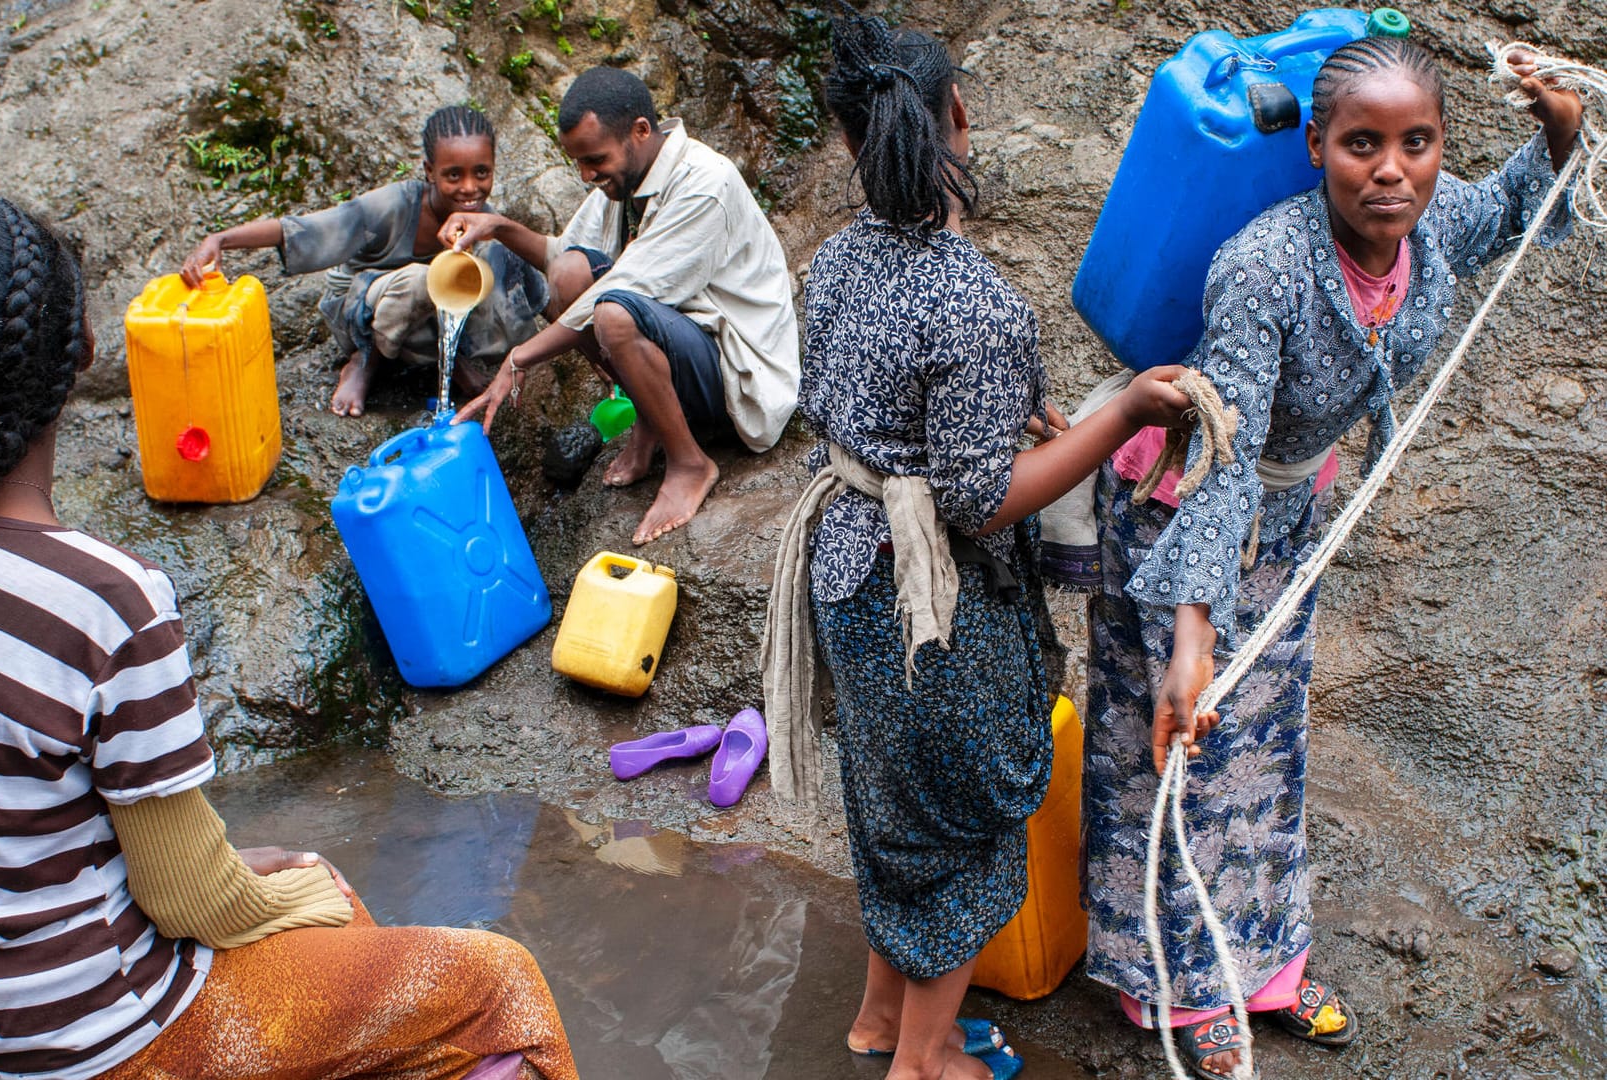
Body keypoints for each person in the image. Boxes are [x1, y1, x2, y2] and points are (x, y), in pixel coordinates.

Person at [1079, 36, 1582, 1080]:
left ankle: (1262, 963)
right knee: (1177, 740)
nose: (1390, 170)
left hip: (1292, 516)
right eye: (1362, 144)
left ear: (1440, 148)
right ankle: (1175, 984)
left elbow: (1509, 214)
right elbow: (1220, 461)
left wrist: (1561, 130)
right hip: (1180, 516)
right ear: (1317, 146)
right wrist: (1191, 634)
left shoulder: (1431, 223)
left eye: (1416, 143)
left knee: (1266, 742)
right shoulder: (1263, 269)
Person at [0, 197, 578, 1080]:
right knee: (495, 988)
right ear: (79, 355)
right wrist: (296, 883)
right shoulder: (100, 600)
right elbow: (188, 897)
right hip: (94, 1045)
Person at [760, 16, 1191, 1080]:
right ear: (956, 112)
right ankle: (925, 1058)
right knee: (968, 808)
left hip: (847, 565)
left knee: (893, 794)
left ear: (851, 142)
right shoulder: (976, 303)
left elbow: (886, 414)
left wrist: (1022, 412)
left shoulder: (836, 261)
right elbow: (977, 500)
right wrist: (1123, 409)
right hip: (930, 597)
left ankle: (877, 1018)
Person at [443, 67, 800, 546]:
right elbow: (563, 260)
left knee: (613, 314)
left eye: (595, 160)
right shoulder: (626, 179)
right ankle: (650, 423)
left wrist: (520, 356)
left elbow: (621, 293)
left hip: (736, 375)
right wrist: (496, 227)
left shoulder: (705, 182)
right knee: (570, 273)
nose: (588, 175)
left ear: (640, 131)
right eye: (579, 164)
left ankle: (690, 463)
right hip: (677, 349)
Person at [179, 106, 548, 418]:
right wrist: (219, 239)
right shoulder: (392, 207)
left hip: (430, 323)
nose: (470, 188)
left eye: (481, 173)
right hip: (365, 313)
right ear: (429, 171)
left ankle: (451, 362)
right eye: (454, 175)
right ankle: (365, 363)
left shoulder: (485, 220)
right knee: (423, 279)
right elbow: (305, 229)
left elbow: (538, 280)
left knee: (497, 257)